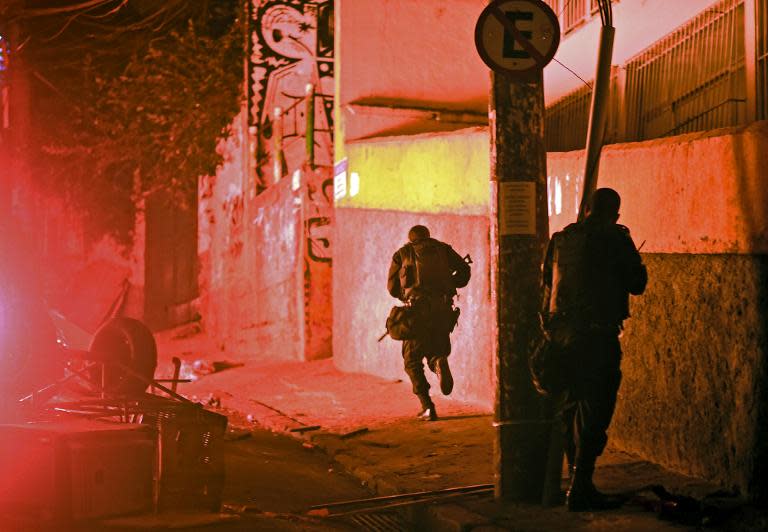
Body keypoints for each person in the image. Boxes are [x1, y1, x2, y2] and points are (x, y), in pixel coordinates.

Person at [541, 188, 647, 512]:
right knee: (595, 409)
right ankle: (581, 487)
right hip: (597, 338)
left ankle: (575, 482)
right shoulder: (616, 237)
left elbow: (546, 283)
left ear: (585, 209)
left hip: (560, 337)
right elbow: (637, 283)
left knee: (571, 407)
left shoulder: (561, 238)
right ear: (614, 213)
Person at [387, 225, 471, 421]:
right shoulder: (443, 249)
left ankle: (427, 407)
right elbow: (464, 272)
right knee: (435, 347)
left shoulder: (402, 253)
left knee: (412, 361)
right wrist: (451, 284)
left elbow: (392, 287)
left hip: (416, 312)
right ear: (428, 236)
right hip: (443, 310)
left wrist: (407, 296)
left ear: (411, 239)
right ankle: (437, 361)